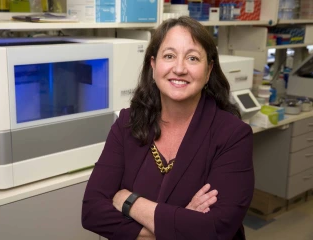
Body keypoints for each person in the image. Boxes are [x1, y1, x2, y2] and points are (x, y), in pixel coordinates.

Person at [82, 16, 254, 240]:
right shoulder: (127, 123)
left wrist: (129, 202)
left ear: (209, 70)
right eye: (169, 56)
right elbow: (92, 212)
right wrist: (178, 227)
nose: (180, 68)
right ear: (153, 65)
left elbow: (216, 229)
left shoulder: (232, 135)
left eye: (192, 58)